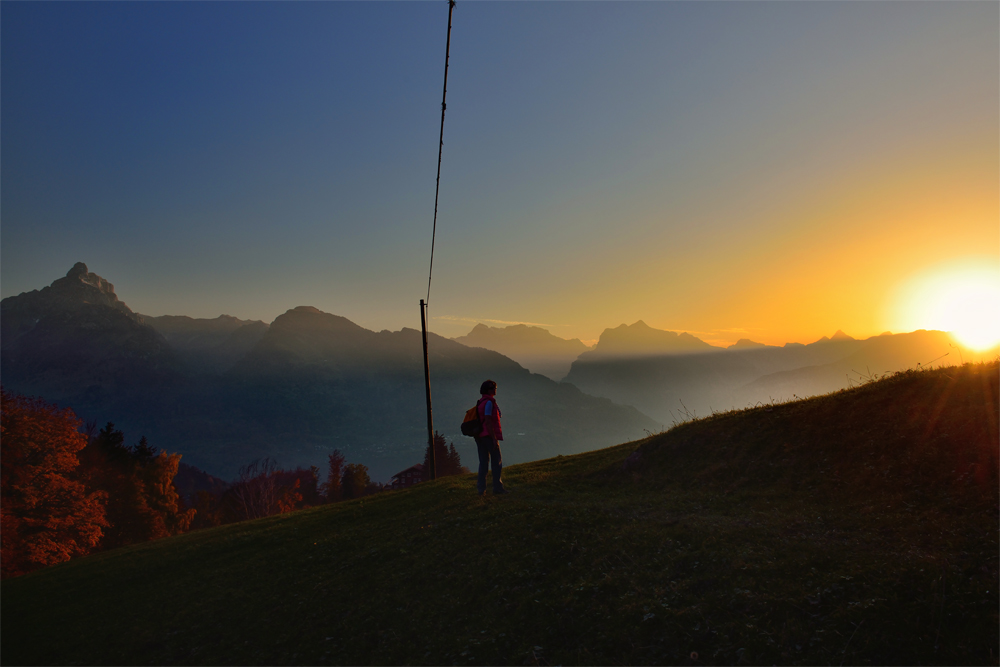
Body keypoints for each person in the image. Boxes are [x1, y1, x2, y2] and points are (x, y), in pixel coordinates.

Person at [475, 379, 507, 495]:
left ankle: (481, 490)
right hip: (488, 435)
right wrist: (494, 438)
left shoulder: (481, 401)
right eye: (494, 388)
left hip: (479, 436)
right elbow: (488, 421)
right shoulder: (489, 402)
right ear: (489, 390)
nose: (495, 390)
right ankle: (497, 488)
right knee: (496, 461)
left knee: (483, 462)